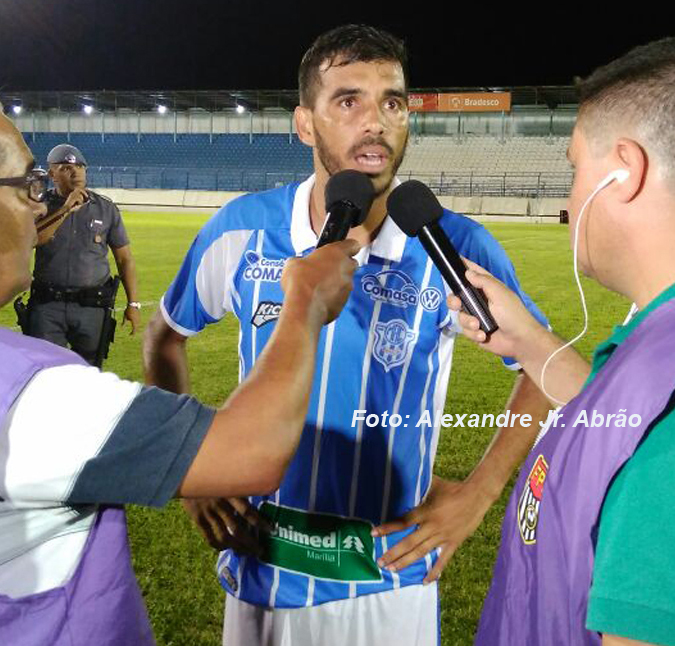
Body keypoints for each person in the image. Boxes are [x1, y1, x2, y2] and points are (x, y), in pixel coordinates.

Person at [143, 24, 552, 646]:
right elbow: (164, 338)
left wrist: (478, 495)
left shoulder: (455, 245)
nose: (377, 121)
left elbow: (543, 371)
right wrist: (190, 475)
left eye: (393, 101)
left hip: (387, 576)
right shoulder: (240, 231)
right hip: (264, 568)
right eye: (349, 101)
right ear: (305, 124)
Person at [0, 111, 359, 645]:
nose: (38, 199)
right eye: (25, 182)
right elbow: (253, 451)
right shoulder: (34, 396)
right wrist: (303, 301)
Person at [447, 38, 675, 646]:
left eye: (576, 170)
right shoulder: (658, 334)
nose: (569, 201)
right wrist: (526, 338)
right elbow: (618, 428)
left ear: (624, 171)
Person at [25, 143, 140, 367]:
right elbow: (33, 240)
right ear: (52, 174)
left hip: (92, 308)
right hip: (47, 307)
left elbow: (124, 259)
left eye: (80, 166)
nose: (75, 171)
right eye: (66, 167)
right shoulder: (40, 207)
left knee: (88, 375)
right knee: (45, 374)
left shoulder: (105, 209)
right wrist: (65, 210)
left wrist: (133, 304)